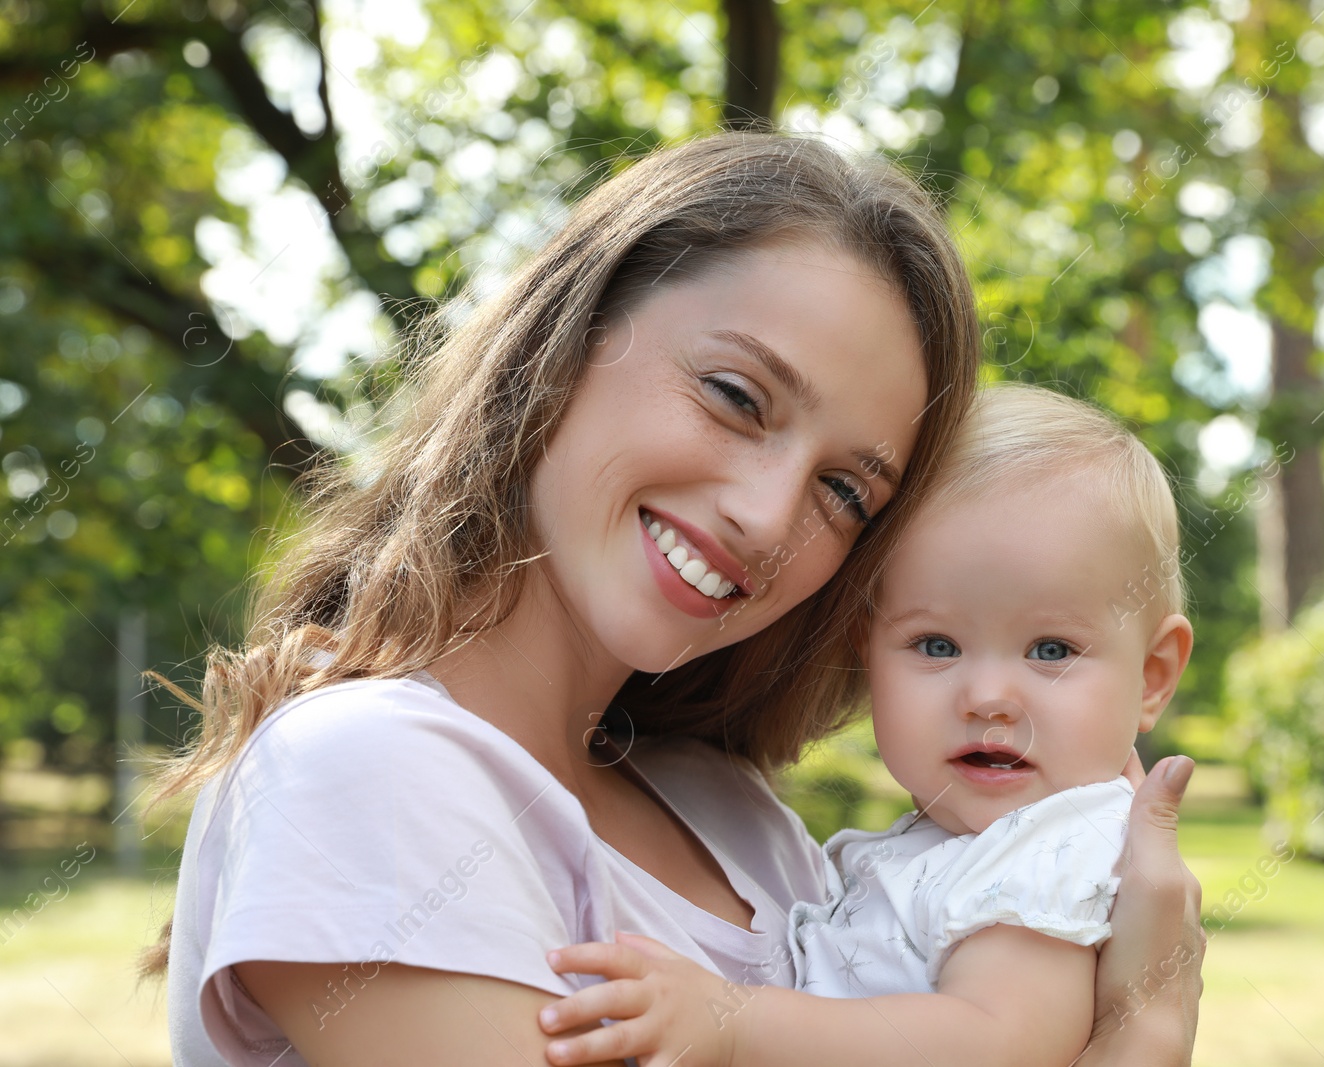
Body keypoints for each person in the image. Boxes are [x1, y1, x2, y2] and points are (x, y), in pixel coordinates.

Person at [146, 132, 1204, 1067]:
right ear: (566, 336)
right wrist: (1143, 1032)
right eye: (736, 396)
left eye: (845, 490)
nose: (764, 513)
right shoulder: (370, 770)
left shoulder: (740, 822)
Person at [538, 384, 1196, 1067]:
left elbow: (997, 1041)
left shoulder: (1051, 850)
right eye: (937, 645)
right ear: (867, 652)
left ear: (1152, 677)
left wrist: (735, 1026)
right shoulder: (962, 846)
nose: (989, 697)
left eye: (1051, 650)